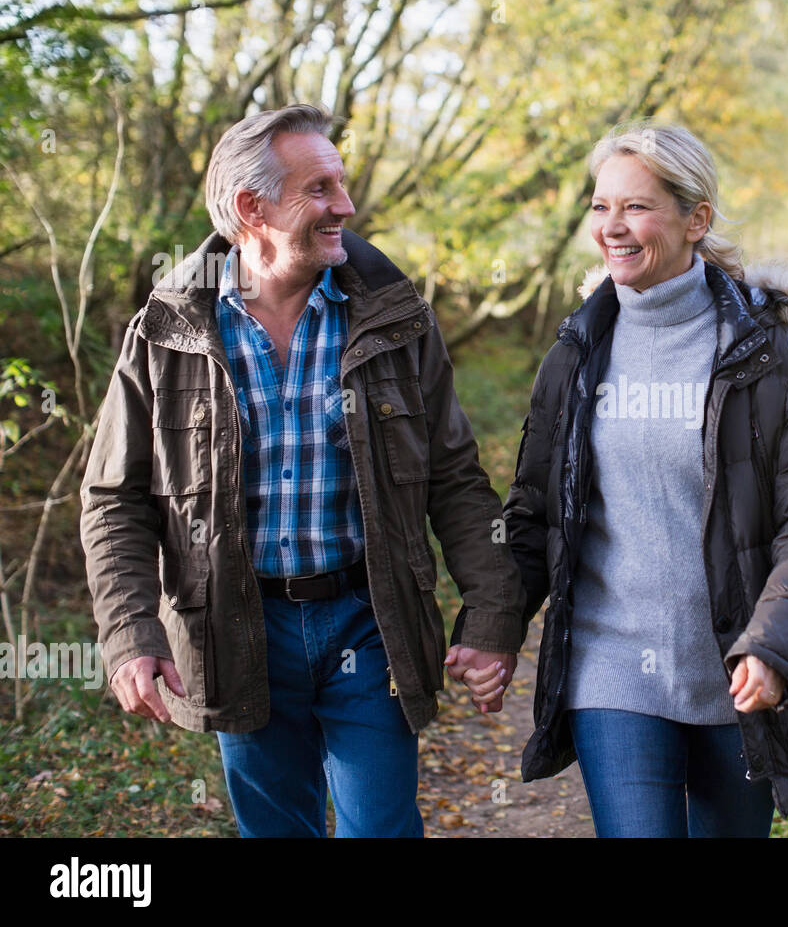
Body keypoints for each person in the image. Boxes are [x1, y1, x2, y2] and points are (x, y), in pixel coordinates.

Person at [80, 103, 524, 838]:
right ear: (251, 208)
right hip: (235, 625)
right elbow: (114, 498)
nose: (344, 207)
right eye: (320, 189)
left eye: (340, 185)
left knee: (381, 827)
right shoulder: (167, 330)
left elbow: (454, 479)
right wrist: (132, 634)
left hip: (368, 618)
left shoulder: (394, 317)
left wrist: (492, 614)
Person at [504, 122, 788, 837]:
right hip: (611, 669)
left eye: (636, 207)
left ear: (696, 219)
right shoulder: (578, 352)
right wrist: (491, 627)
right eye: (601, 206)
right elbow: (536, 512)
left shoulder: (774, 360)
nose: (612, 227)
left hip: (735, 676)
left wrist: (773, 646)